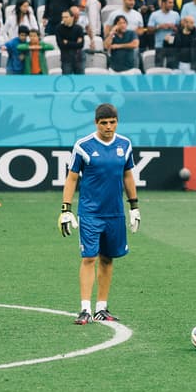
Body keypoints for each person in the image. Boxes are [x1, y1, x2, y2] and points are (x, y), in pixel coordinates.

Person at [58, 102, 140, 324]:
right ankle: (85, 308)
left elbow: (128, 176)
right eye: (104, 123)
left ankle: (101, 308)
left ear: (117, 122)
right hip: (91, 213)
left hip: (115, 213)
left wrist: (134, 207)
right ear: (96, 123)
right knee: (89, 257)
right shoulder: (83, 146)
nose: (108, 127)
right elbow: (72, 178)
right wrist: (66, 209)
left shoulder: (125, 144)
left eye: (112, 122)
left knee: (108, 258)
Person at [56, 8, 84, 74]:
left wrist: (67, 42)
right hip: (66, 58)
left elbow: (81, 45)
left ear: (72, 17)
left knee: (81, 80)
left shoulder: (79, 28)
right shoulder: (59, 28)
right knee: (66, 79)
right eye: (63, 17)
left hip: (78, 58)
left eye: (66, 17)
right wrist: (75, 43)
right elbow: (61, 45)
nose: (64, 19)